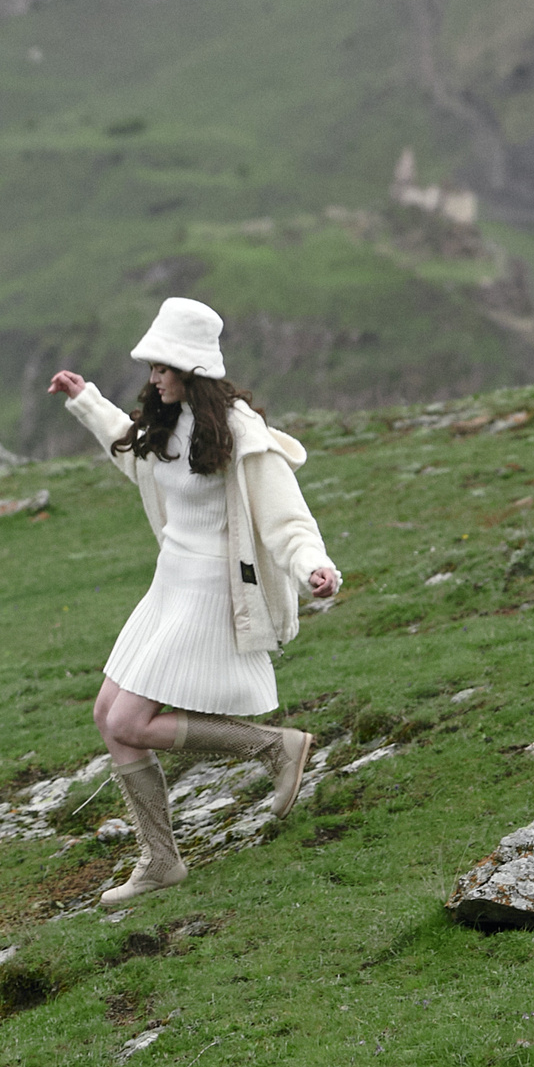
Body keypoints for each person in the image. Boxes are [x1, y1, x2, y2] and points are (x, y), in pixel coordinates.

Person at [44, 297, 341, 907]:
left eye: (163, 367)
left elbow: (285, 516)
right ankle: (160, 861)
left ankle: (272, 746)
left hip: (212, 588)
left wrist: (315, 566)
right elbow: (131, 454)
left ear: (193, 369)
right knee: (109, 715)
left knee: (129, 720)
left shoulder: (237, 432)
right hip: (170, 580)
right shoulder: (164, 425)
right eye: (151, 367)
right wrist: (86, 400)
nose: (153, 377)